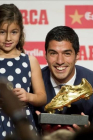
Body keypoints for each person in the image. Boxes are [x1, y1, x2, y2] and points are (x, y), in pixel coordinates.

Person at [34, 25, 93, 133]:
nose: (60, 61)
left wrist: (87, 133)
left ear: (77, 55)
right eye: (53, 53)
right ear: (45, 55)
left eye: (67, 53)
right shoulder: (32, 82)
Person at [0, 3, 47, 139]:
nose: (8, 38)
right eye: (2, 32)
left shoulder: (30, 61)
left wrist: (28, 96)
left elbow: (42, 96)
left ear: (21, 31)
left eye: (14, 32)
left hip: (22, 123)